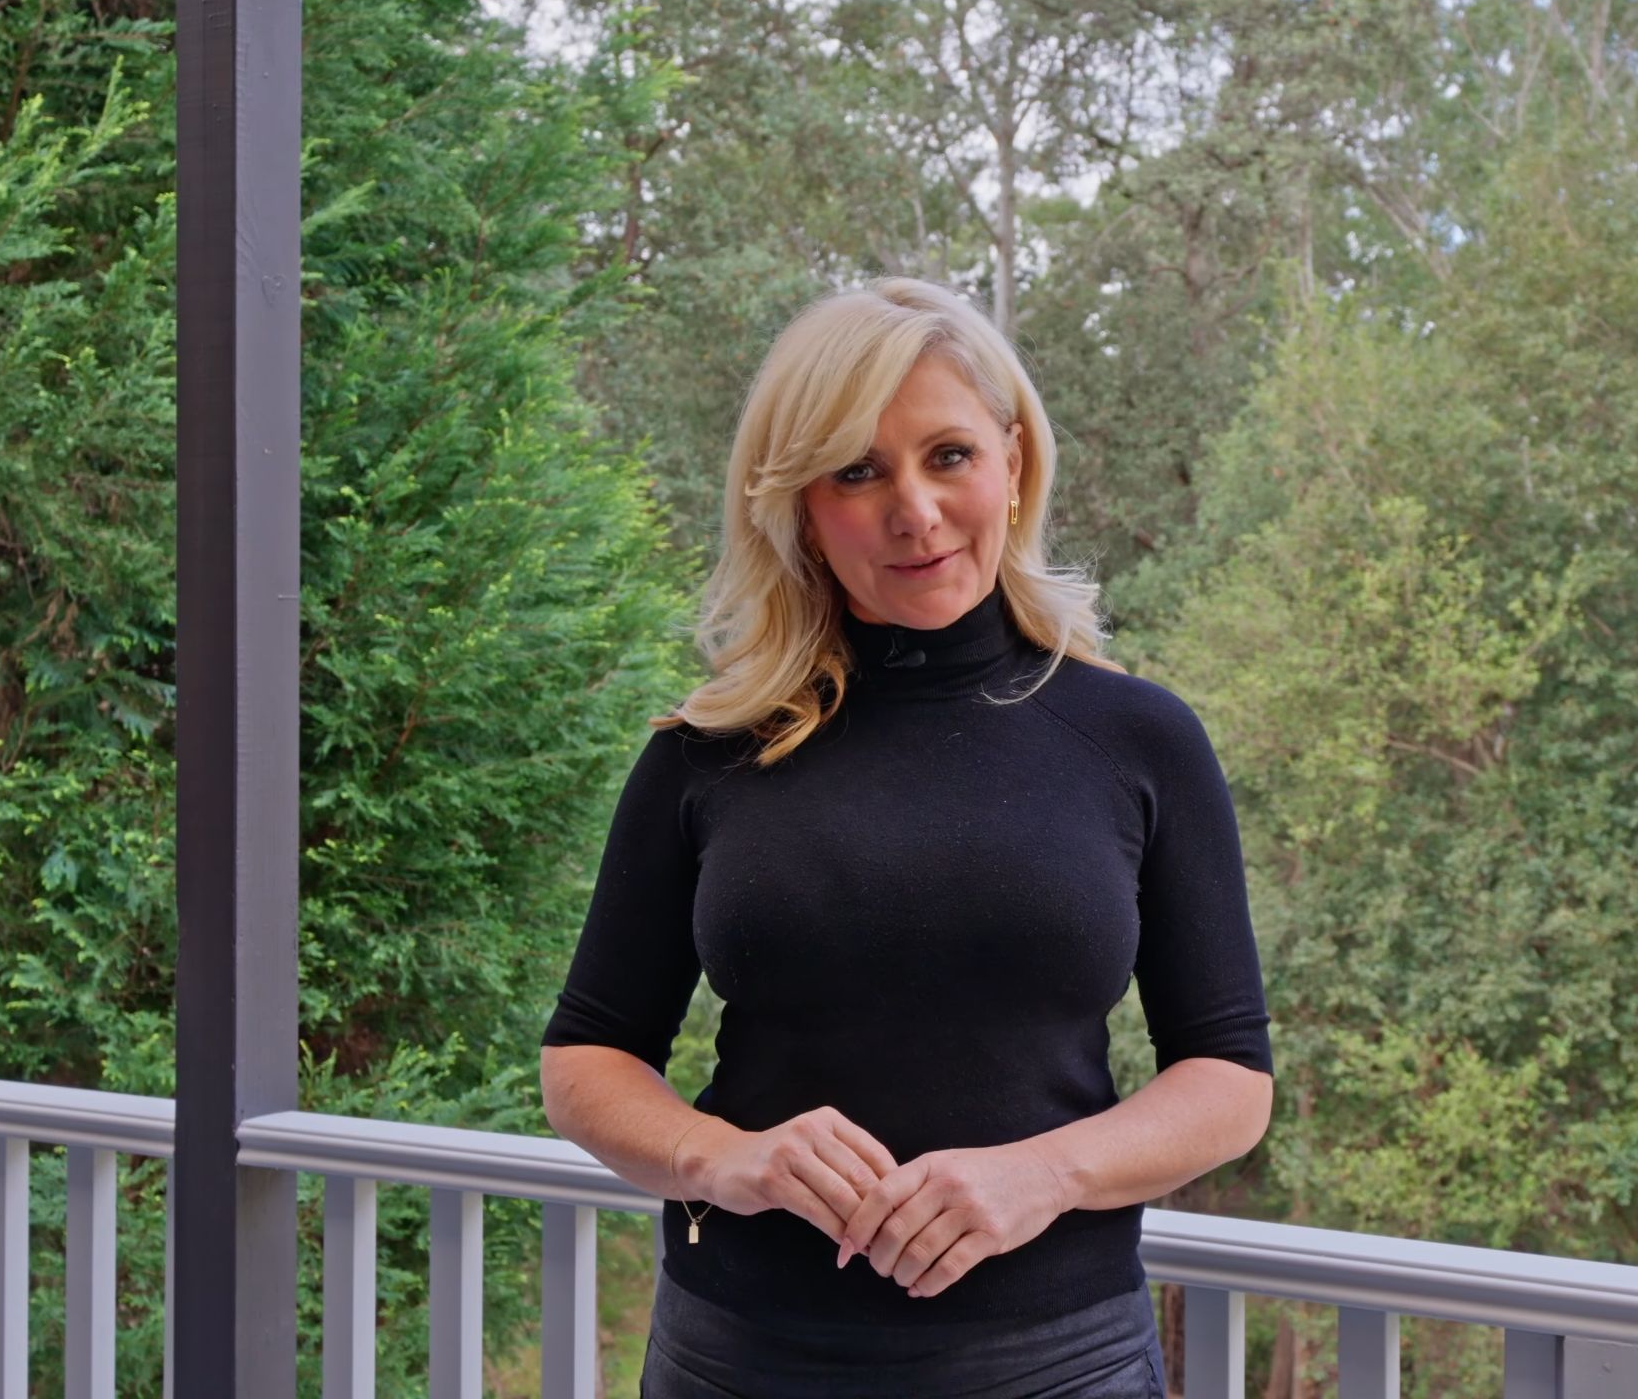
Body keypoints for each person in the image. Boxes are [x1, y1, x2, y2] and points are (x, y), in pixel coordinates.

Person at [538, 275, 1276, 1398]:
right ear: (798, 507)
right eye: (856, 471)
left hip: (1059, 1366)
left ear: (1013, 463)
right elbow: (585, 1056)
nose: (915, 512)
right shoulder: (710, 751)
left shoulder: (1138, 739)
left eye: (949, 456)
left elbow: (1229, 1077)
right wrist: (722, 1158)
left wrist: (1048, 1174)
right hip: (737, 1362)